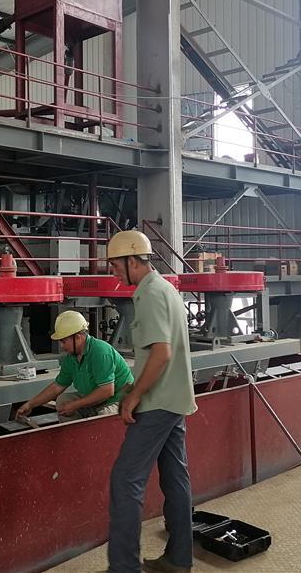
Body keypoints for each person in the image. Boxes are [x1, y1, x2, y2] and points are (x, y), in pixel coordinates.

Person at [105, 230, 197, 573]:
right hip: (175, 398)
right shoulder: (166, 288)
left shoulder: (150, 293)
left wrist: (134, 395)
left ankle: (124, 568)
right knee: (175, 477)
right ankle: (179, 558)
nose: (113, 271)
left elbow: (161, 353)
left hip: (157, 403)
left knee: (125, 480)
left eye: (116, 264)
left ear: (133, 260)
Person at [16, 310, 133, 422]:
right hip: (98, 401)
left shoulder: (100, 352)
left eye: (63, 341)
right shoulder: (71, 358)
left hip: (118, 400)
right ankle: (76, 434)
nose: (61, 346)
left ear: (77, 337)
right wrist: (30, 404)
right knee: (63, 401)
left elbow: (106, 391)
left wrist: (74, 405)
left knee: (103, 417)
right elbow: (56, 387)